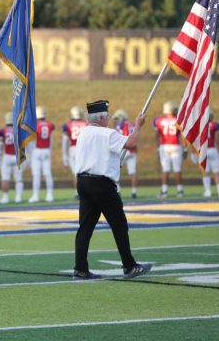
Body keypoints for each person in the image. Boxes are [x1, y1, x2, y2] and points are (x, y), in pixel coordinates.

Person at [73, 100, 152, 280]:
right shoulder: (107, 134)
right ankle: (129, 266)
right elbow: (132, 143)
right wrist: (138, 126)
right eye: (107, 116)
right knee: (119, 224)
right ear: (101, 117)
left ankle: (80, 268)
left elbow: (95, 157)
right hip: (101, 185)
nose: (108, 119)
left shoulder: (84, 134)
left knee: (85, 228)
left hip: (84, 182)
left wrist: (112, 166)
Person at [153, 101, 185, 198]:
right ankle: (180, 191)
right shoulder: (178, 120)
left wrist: (158, 146)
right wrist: (186, 148)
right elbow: (183, 135)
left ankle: (164, 191)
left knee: (165, 169)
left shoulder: (159, 120)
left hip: (164, 146)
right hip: (176, 145)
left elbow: (157, 135)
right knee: (177, 169)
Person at [195, 110, 219, 197]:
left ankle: (208, 191)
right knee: (216, 171)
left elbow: (196, 141)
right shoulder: (214, 125)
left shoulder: (199, 126)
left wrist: (194, 153)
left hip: (203, 151)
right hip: (213, 149)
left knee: (205, 172)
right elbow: (217, 140)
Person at [0, 112, 25, 204]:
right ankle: (18, 197)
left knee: (5, 178)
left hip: (7, 156)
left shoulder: (3, 131)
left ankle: (5, 198)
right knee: (19, 178)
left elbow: (0, 146)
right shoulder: (19, 130)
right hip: (17, 156)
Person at [29, 106, 55, 203]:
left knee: (36, 175)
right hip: (46, 150)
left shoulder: (34, 125)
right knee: (47, 173)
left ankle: (35, 195)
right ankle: (50, 195)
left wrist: (31, 152)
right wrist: (49, 149)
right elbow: (51, 140)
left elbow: (31, 140)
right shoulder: (50, 125)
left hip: (37, 150)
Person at [112, 109, 138, 198]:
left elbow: (120, 137)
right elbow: (135, 137)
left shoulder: (121, 125)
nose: (115, 121)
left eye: (116, 118)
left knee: (115, 170)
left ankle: (118, 190)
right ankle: (134, 191)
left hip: (124, 149)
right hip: (132, 150)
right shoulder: (132, 125)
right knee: (133, 172)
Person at [62, 106, 87, 194]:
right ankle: (85, 191)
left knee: (75, 173)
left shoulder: (67, 125)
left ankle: (77, 192)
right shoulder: (86, 124)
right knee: (84, 172)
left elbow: (65, 141)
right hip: (84, 149)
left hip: (73, 148)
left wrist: (64, 157)